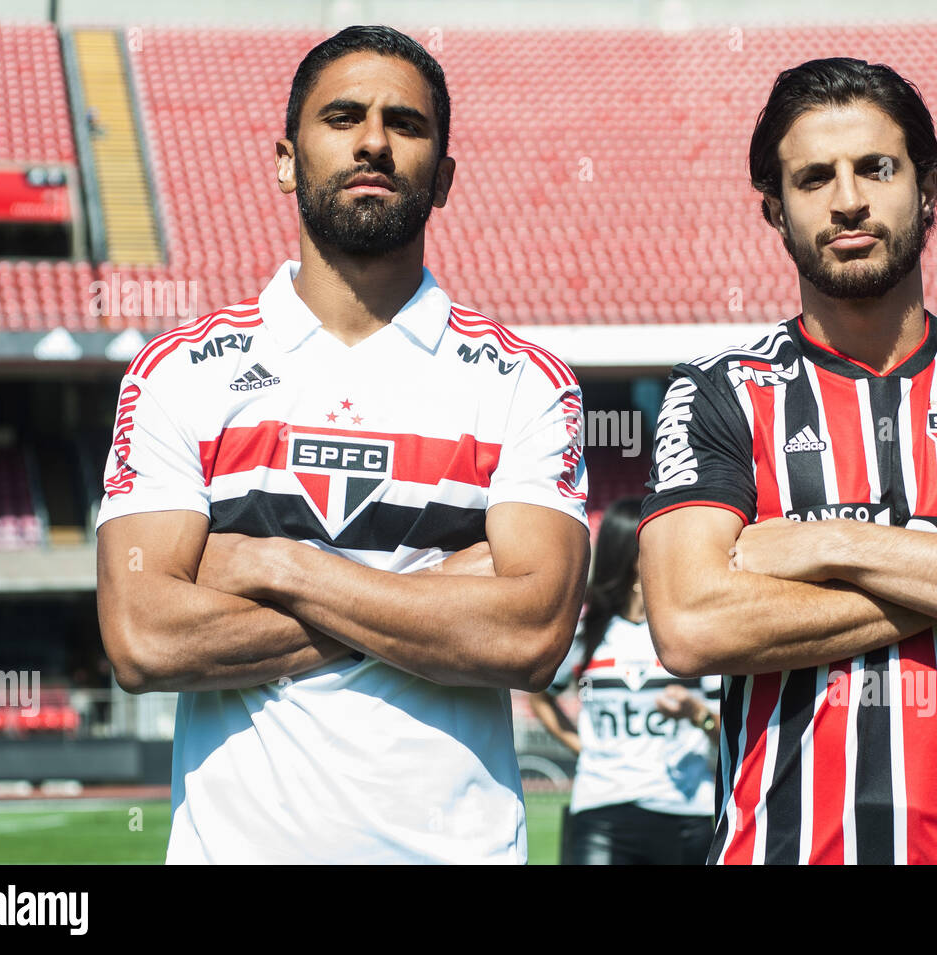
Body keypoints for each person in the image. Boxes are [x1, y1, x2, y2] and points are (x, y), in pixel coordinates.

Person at [94, 25, 589, 864]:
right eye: (343, 117)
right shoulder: (179, 371)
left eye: (406, 123)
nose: (372, 141)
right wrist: (439, 588)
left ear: (445, 178)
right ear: (287, 158)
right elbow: (144, 637)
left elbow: (532, 638)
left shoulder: (525, 382)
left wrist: (273, 564)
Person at [637, 57, 937, 865]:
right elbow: (693, 625)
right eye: (813, 178)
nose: (848, 200)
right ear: (774, 207)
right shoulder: (722, 391)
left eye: (876, 167)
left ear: (930, 186)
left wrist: (830, 543)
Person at [528, 497, 720, 864]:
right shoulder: (586, 633)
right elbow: (540, 696)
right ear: (634, 556)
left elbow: (725, 728)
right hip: (601, 810)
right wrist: (582, 747)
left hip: (684, 812)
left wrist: (697, 713)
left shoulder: (689, 635)